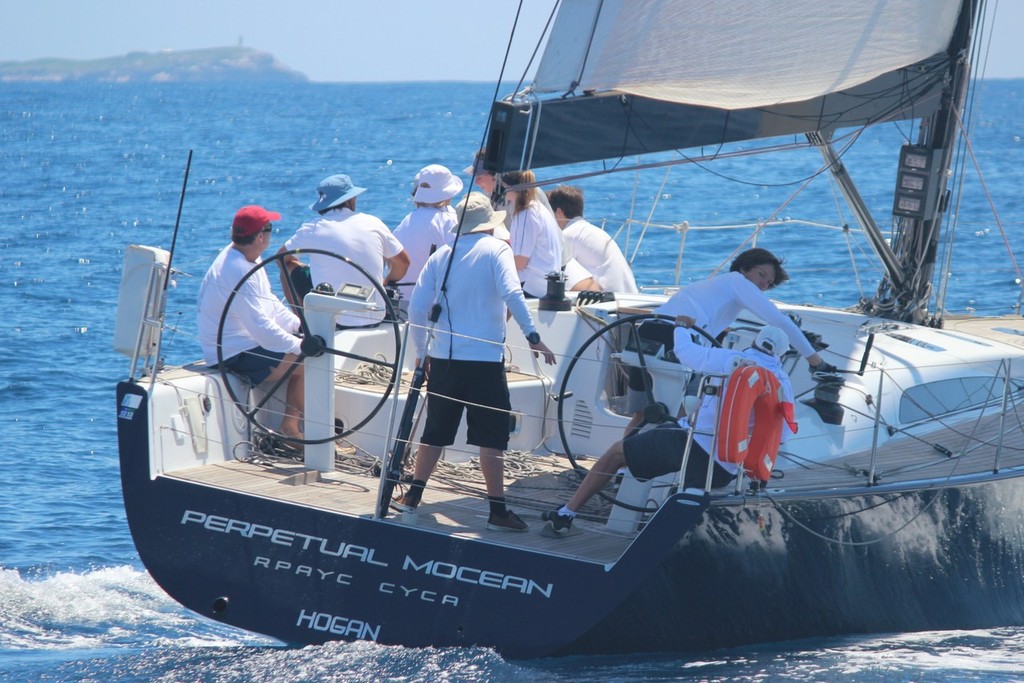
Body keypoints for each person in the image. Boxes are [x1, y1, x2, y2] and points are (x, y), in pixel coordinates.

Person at [396, 192, 557, 531]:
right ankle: (497, 512)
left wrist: (421, 353)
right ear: (489, 224)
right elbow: (513, 293)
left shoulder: (441, 256)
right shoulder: (497, 249)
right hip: (484, 362)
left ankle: (413, 497)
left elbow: (416, 310)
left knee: (435, 432)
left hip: (444, 361)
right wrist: (533, 337)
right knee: (491, 438)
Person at [542, 325, 797, 536]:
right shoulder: (783, 386)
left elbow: (685, 352)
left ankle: (566, 514)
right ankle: (630, 477)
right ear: (782, 357)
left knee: (616, 452)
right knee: (673, 425)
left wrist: (683, 327)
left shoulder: (727, 359)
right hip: (725, 469)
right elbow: (781, 436)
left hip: (690, 448)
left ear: (754, 341)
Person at [623, 247, 831, 435]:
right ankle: (663, 468)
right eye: (761, 275)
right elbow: (779, 320)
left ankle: (620, 467)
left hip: (645, 334)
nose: (763, 284)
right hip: (673, 339)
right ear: (743, 269)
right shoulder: (737, 281)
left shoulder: (716, 287)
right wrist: (816, 363)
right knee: (679, 413)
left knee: (643, 414)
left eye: (768, 283)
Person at [196, 205, 305, 439]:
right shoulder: (237, 271)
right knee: (311, 363)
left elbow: (270, 303)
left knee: (304, 352)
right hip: (232, 354)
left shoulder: (244, 257)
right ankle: (291, 430)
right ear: (260, 236)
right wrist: (301, 346)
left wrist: (297, 326)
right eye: (270, 230)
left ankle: (292, 428)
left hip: (242, 343)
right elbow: (261, 329)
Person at [278, 174, 410, 327]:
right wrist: (387, 282)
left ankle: (306, 325)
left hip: (334, 320)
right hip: (376, 315)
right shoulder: (374, 223)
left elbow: (280, 258)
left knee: (287, 268)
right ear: (349, 200)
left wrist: (303, 266)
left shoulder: (312, 228)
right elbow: (403, 262)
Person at [547, 185, 639, 293]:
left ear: (558, 212)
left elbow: (555, 273)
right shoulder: (592, 231)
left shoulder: (567, 236)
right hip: (630, 296)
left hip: (608, 299)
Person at [393, 164, 462, 291]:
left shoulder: (407, 220)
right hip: (435, 301)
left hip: (403, 298)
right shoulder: (451, 220)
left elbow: (391, 257)